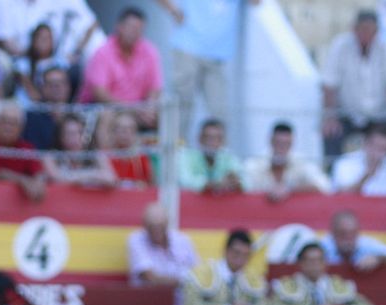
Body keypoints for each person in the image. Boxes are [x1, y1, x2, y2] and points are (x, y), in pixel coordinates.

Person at [156, 0, 260, 139]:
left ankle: (218, 158)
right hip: (187, 47)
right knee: (181, 110)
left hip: (218, 55)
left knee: (220, 113)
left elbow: (256, 3)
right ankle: (175, 155)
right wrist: (173, 10)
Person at [319, 9, 386, 160]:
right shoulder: (340, 45)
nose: (366, 34)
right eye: (363, 29)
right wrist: (330, 117)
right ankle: (332, 178)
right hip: (347, 114)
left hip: (379, 115)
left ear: (377, 31)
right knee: (331, 133)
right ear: (354, 29)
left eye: (370, 30)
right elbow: (329, 85)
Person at [77, 7, 162, 129]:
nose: (135, 32)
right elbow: (100, 94)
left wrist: (149, 107)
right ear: (119, 27)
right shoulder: (103, 52)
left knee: (166, 113)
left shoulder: (149, 51)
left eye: (139, 29)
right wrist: (132, 110)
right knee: (108, 117)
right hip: (109, 108)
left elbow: (155, 88)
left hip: (139, 110)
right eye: (132, 28)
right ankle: (106, 149)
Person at [266, 242, 378, 305]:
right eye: (310, 261)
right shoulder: (287, 286)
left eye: (319, 260)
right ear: (300, 264)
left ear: (326, 263)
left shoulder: (338, 285)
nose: (315, 265)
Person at [182, 229, 264, 305]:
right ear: (225, 251)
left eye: (246, 255)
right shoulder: (202, 274)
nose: (241, 259)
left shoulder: (253, 278)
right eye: (236, 253)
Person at [243, 120, 329, 202]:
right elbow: (244, 188)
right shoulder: (254, 164)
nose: (281, 149)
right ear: (270, 141)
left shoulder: (301, 162)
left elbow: (324, 186)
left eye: (286, 144)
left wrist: (290, 189)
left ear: (292, 143)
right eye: (278, 143)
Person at [0, 105, 48, 200]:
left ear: (21, 129)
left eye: (14, 123)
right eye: (4, 121)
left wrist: (39, 182)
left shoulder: (27, 148)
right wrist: (23, 181)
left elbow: (38, 171)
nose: (8, 127)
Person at [126, 202, 198, 287]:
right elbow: (150, 277)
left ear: (167, 224)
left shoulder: (182, 240)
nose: (156, 231)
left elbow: (197, 271)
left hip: (182, 297)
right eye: (152, 227)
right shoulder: (136, 240)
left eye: (160, 226)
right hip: (149, 297)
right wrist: (186, 282)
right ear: (145, 226)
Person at [330, 121, 386, 196]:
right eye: (377, 147)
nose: (381, 154)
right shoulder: (345, 163)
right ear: (366, 143)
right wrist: (366, 177)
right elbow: (340, 196)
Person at [45, 113, 115, 187]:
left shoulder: (95, 154)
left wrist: (74, 177)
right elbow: (56, 178)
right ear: (61, 137)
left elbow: (111, 179)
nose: (74, 138)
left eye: (79, 132)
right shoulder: (51, 156)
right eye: (69, 133)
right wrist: (94, 175)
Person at [320, 209, 386, 270]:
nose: (348, 238)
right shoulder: (323, 247)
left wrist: (379, 258)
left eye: (352, 233)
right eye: (343, 233)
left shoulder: (366, 243)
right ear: (333, 233)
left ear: (358, 232)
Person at [178, 117, 243, 194]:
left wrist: (236, 182)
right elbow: (184, 180)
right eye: (209, 138)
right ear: (200, 138)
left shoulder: (229, 158)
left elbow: (246, 181)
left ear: (223, 141)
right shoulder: (186, 156)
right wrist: (213, 185)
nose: (213, 143)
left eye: (218, 138)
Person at [103, 110, 155, 187]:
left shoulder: (141, 158)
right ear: (113, 132)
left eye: (131, 129)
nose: (126, 133)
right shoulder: (105, 157)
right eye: (122, 129)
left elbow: (151, 185)